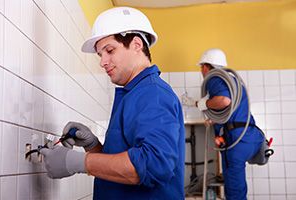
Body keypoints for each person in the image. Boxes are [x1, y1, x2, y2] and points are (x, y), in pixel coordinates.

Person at [40, 6, 185, 200]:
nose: (103, 62)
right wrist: (93, 146)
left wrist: (79, 162)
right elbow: (123, 164)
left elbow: (153, 165)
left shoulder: (152, 94)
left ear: (136, 45)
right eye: (101, 55)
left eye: (110, 50)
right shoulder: (134, 93)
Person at [183, 48, 264, 200]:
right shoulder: (234, 80)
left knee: (234, 192)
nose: (201, 71)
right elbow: (232, 110)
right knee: (238, 186)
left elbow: (225, 101)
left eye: (201, 67)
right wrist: (214, 119)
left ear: (206, 66)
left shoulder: (214, 79)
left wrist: (203, 103)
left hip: (237, 140)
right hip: (251, 135)